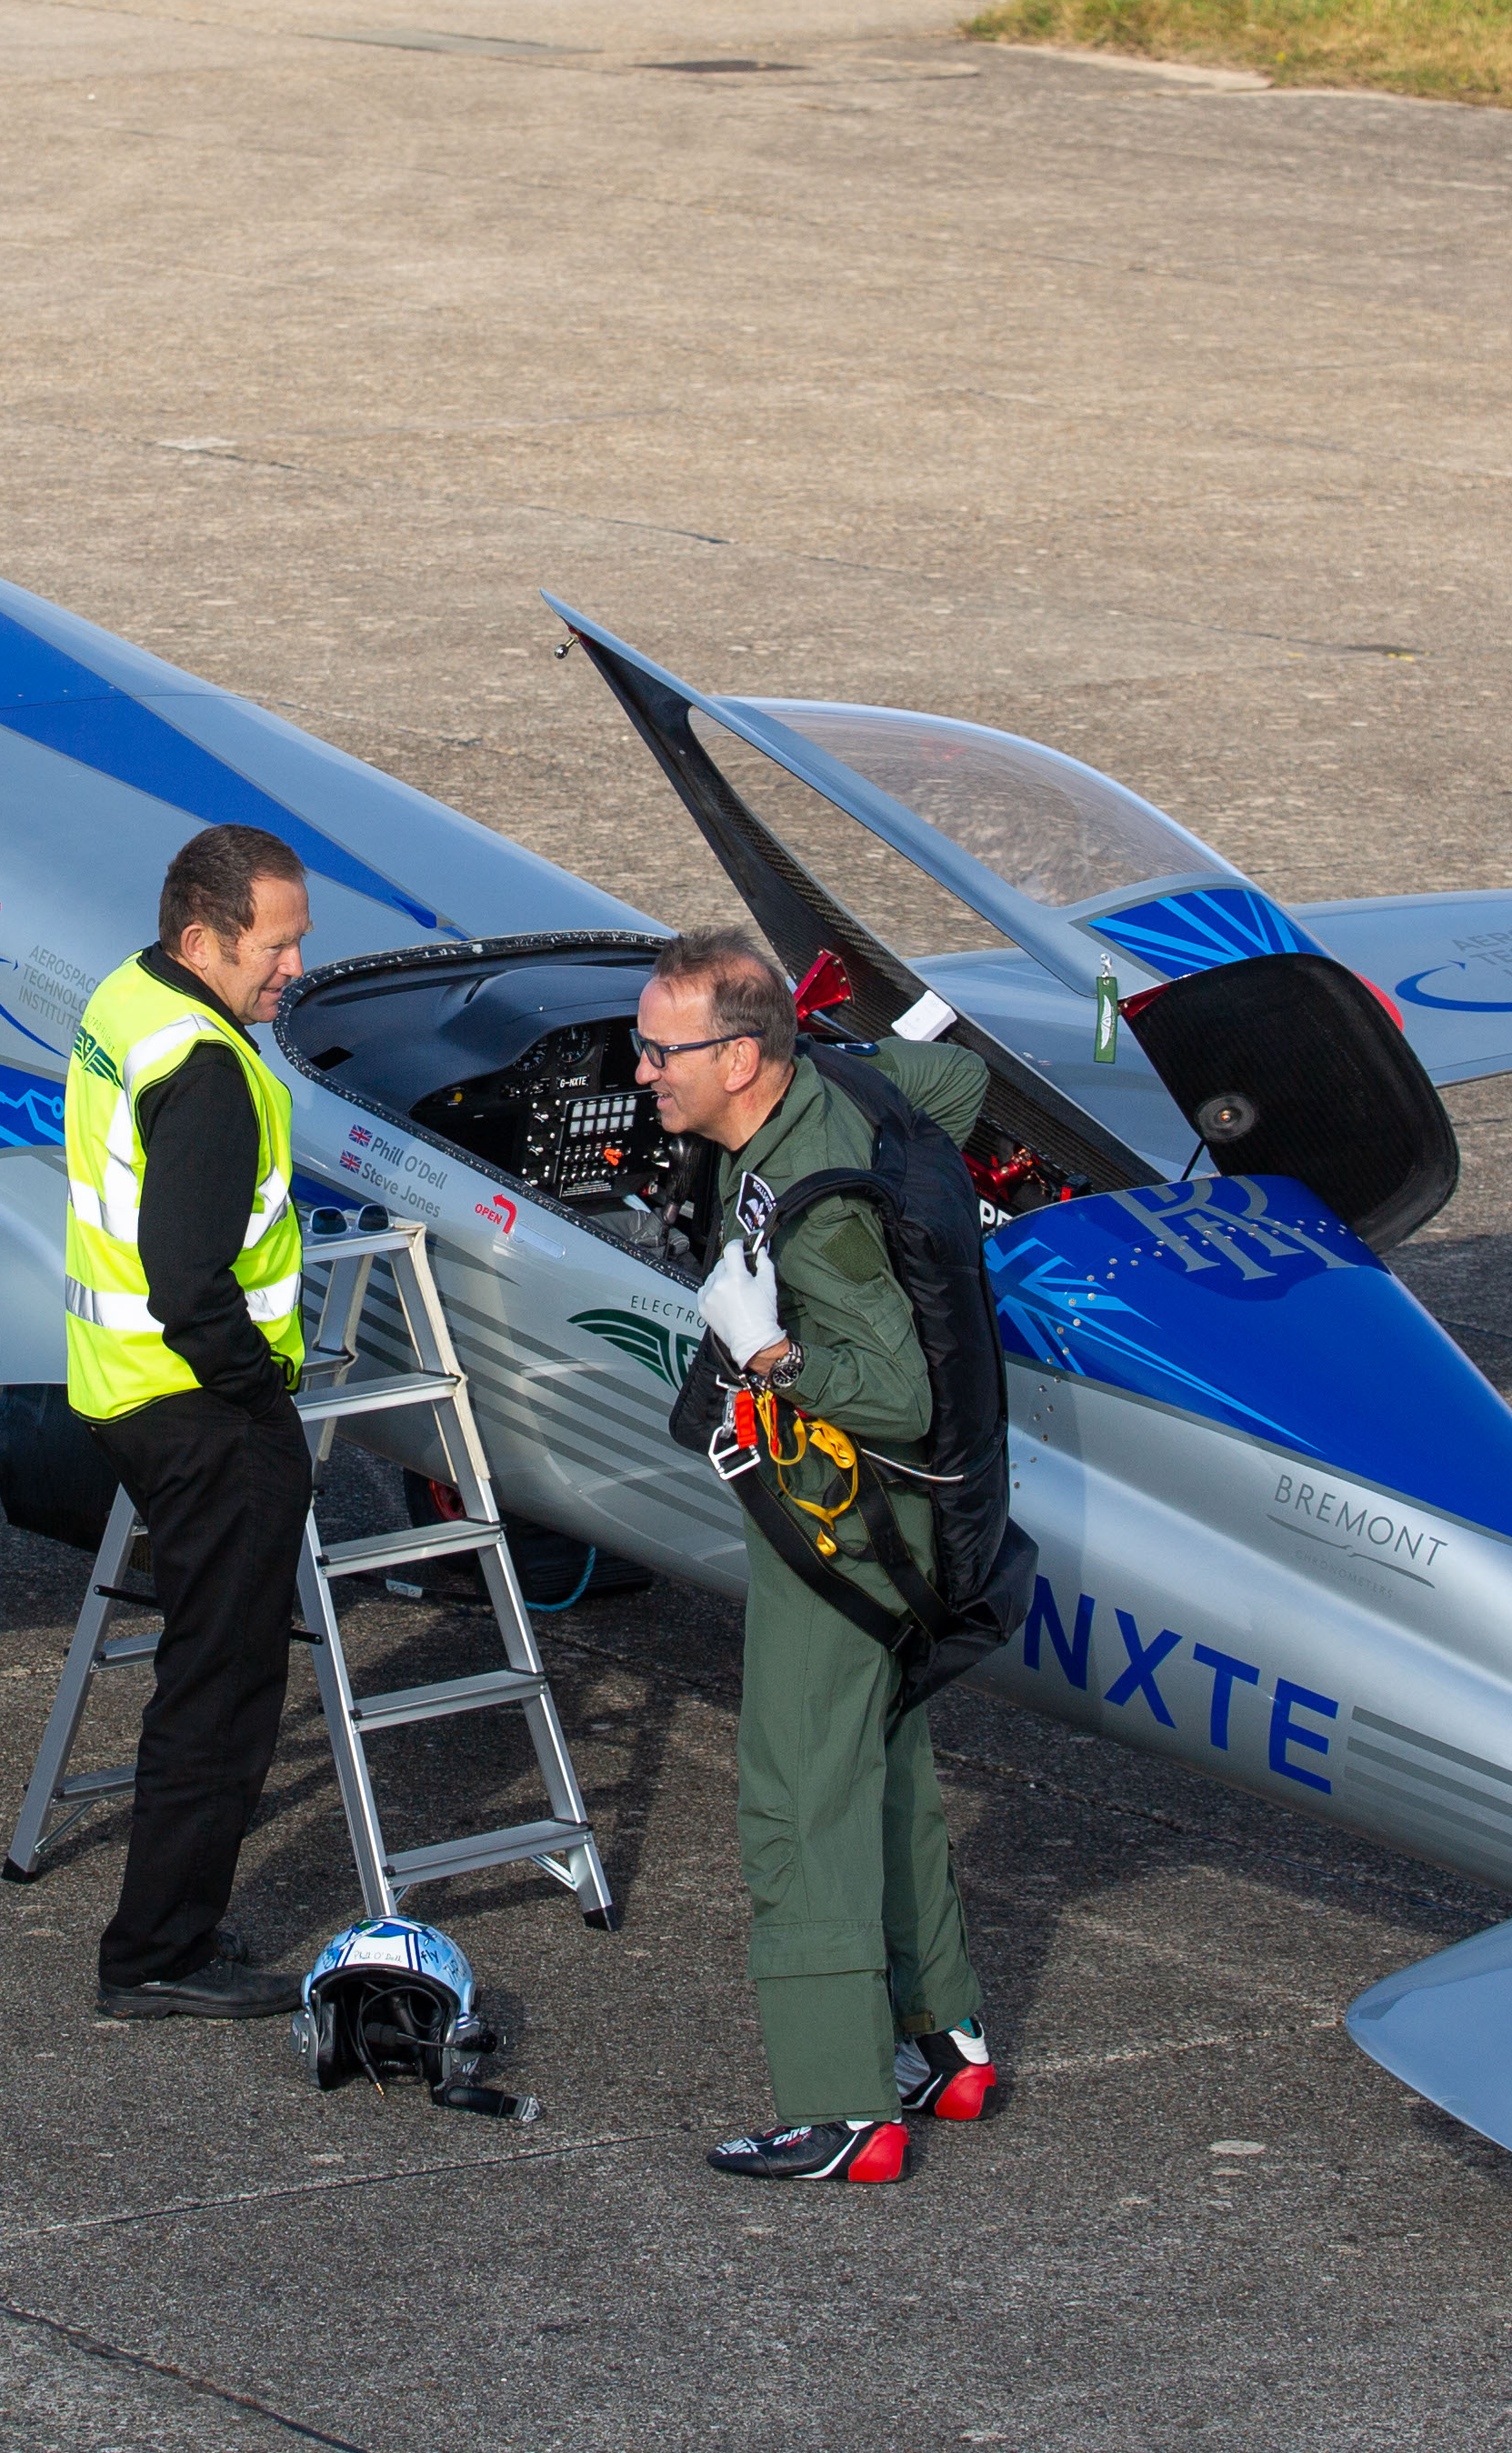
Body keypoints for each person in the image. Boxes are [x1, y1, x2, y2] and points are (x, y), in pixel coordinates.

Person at [635, 928, 1006, 2181]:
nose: (643, 1071)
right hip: (896, 1525)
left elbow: (898, 1396)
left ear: (742, 1060)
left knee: (797, 1794)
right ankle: (943, 2040)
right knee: (880, 1763)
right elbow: (956, 1084)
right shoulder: (834, 1087)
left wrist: (771, 1354)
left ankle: (845, 2109)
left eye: (663, 1051)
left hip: (845, 1528)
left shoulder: (819, 1212)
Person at [64, 821, 320, 2020]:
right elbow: (187, 1279)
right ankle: (159, 1952)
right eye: (276, 948)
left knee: (201, 1673)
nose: (294, 970)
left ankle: (169, 1932)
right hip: (204, 1413)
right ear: (202, 938)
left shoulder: (130, 1000)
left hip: (123, 1389)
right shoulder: (210, 1070)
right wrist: (261, 1399)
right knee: (221, 1692)